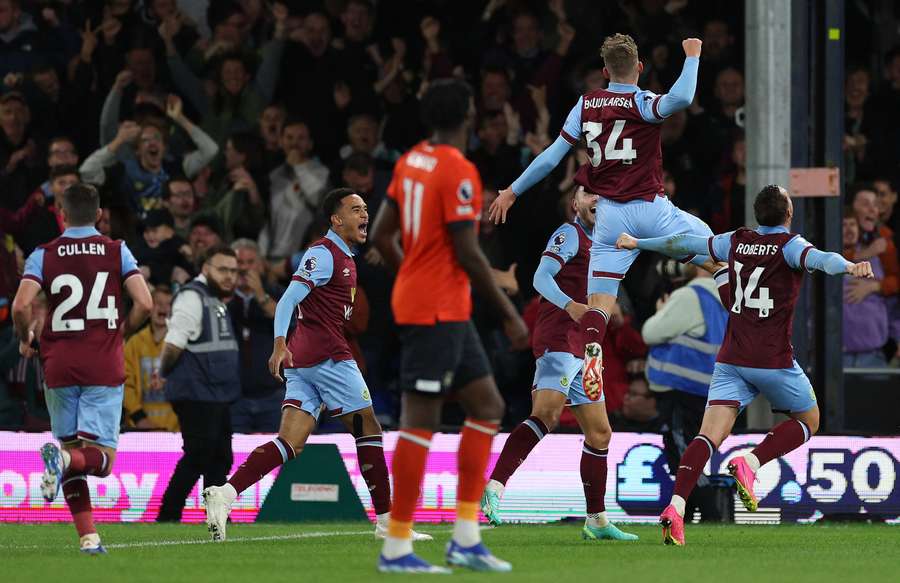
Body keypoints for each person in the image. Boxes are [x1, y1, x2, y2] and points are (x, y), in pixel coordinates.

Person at [616, 184, 874, 545]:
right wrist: (850, 266)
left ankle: (675, 507)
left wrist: (638, 243)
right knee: (809, 420)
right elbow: (823, 260)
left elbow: (682, 244)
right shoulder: (791, 245)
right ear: (788, 213)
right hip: (772, 360)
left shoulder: (735, 241)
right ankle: (750, 464)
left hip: (732, 360)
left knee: (707, 436)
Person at [489, 34, 717, 405]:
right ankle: (742, 306)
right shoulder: (642, 102)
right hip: (651, 208)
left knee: (600, 303)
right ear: (639, 68)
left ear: (604, 71)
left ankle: (591, 353)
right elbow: (682, 99)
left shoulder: (586, 103)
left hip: (610, 216)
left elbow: (550, 157)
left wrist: (513, 190)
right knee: (711, 248)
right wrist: (692, 56)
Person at [203, 189, 430, 543]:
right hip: (328, 357)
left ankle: (225, 494)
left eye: (366, 210)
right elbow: (289, 299)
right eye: (356, 210)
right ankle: (389, 524)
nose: (364, 215)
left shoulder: (343, 256)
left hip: (303, 360)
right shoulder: (324, 254)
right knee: (368, 429)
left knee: (290, 442)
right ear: (336, 219)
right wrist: (279, 343)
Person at [370, 79, 528, 573]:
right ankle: (397, 545)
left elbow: (380, 235)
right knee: (421, 420)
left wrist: (411, 274)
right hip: (434, 311)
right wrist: (509, 313)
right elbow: (467, 251)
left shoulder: (411, 159)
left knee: (487, 405)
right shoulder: (458, 170)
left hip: (443, 308)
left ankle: (464, 537)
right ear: (469, 113)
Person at [480, 186, 638, 542]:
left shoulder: (612, 242)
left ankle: (596, 520)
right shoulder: (569, 234)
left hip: (588, 346)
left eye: (603, 195)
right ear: (575, 204)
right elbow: (540, 278)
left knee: (600, 433)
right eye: (589, 194)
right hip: (560, 338)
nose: (597, 200)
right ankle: (496, 484)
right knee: (548, 414)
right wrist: (572, 307)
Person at [12, 182, 152, 554]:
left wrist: (26, 337)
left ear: (61, 211)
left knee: (73, 448)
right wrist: (120, 333)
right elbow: (146, 303)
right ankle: (61, 460)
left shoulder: (43, 254)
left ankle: (89, 539)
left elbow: (20, 305)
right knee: (101, 461)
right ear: (99, 215)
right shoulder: (116, 250)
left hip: (57, 365)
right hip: (102, 364)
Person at [155, 245, 241, 522]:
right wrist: (163, 371)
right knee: (198, 456)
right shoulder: (193, 297)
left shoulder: (214, 298)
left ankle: (216, 518)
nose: (229, 276)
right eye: (223, 270)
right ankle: (168, 516)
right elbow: (174, 343)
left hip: (215, 393)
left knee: (218, 458)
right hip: (197, 392)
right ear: (206, 269)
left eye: (233, 271)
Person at [642, 264, 728, 520]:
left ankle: (713, 515)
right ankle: (685, 516)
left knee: (682, 456)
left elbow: (650, 332)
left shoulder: (690, 296)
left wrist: (661, 311)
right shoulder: (726, 298)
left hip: (681, 391)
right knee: (688, 452)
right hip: (707, 392)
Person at [124, 285, 178, 431]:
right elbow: (125, 384)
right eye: (158, 303)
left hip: (175, 431)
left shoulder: (180, 345)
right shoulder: (134, 343)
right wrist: (139, 418)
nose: (163, 308)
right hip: (140, 429)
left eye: (168, 304)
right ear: (150, 309)